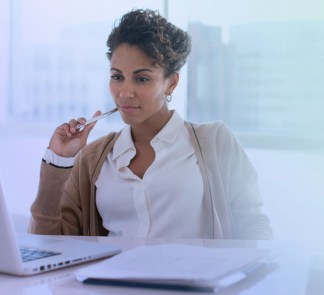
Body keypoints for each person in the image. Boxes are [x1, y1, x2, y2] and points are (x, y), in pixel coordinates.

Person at [29, 9, 273, 240]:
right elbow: (49, 245)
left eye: (142, 78)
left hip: (193, 283)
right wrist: (59, 160)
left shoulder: (216, 142)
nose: (125, 93)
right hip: (111, 284)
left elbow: (253, 226)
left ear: (171, 83)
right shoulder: (93, 159)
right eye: (117, 77)